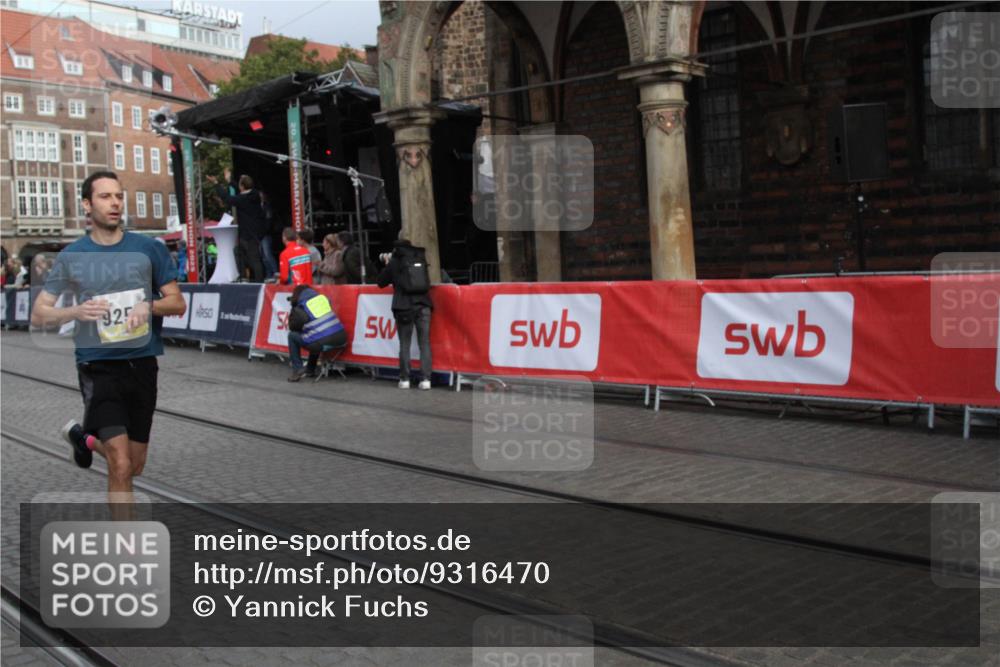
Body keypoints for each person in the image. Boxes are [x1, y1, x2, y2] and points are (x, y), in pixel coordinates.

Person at [30, 170, 185, 503]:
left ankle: (83, 438)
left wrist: (149, 306)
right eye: (105, 197)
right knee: (120, 464)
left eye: (118, 196)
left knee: (134, 465)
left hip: (142, 365)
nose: (114, 203)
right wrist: (75, 311)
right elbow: (40, 313)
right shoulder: (72, 255)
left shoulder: (149, 249)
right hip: (98, 367)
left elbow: (177, 303)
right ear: (87, 205)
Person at [376, 237, 433, 389]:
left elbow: (380, 282)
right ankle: (426, 379)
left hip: (404, 306)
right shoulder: (419, 257)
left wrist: (387, 265)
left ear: (395, 249)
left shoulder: (395, 261)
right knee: (424, 343)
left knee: (405, 344)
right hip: (424, 304)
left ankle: (405, 379)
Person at [207, 170, 266, 282]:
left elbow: (227, 198)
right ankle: (244, 277)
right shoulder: (255, 194)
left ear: (242, 186)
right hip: (253, 232)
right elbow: (241, 190)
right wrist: (230, 181)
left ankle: (259, 282)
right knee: (239, 253)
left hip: (249, 234)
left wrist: (216, 183)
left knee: (254, 259)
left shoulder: (243, 199)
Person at [285, 284, 347, 382]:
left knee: (292, 336)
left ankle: (297, 369)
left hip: (323, 341)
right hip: (341, 338)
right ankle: (310, 369)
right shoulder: (323, 299)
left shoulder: (301, 307)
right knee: (314, 335)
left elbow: (293, 327)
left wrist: (293, 308)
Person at [259, 191, 279, 278]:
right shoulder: (257, 207)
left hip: (265, 234)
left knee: (268, 254)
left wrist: (263, 232)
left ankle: (275, 273)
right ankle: (269, 274)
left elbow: (269, 222)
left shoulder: (267, 207)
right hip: (259, 234)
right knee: (263, 256)